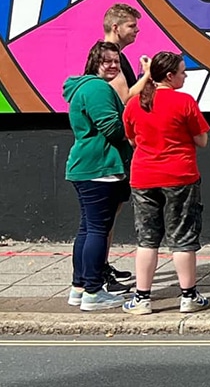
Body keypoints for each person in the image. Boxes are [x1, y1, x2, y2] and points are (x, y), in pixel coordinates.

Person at [120, 52, 210, 315]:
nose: (185, 76)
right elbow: (202, 140)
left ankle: (142, 299)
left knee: (147, 239)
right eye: (183, 72)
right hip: (180, 176)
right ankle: (188, 297)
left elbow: (132, 140)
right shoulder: (184, 102)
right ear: (170, 76)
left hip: (144, 177)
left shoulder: (135, 103)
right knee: (182, 238)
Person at [62, 41, 132, 311]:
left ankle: (79, 288)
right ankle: (93, 291)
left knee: (87, 228)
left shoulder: (84, 87)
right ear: (94, 62)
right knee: (98, 231)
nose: (114, 65)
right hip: (99, 168)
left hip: (86, 167)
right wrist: (133, 118)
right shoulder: (98, 88)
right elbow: (113, 128)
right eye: (107, 61)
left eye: (117, 61)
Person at [100, 3, 148, 289]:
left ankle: (101, 266)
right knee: (106, 214)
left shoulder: (111, 55)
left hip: (115, 146)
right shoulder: (110, 56)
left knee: (109, 212)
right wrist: (148, 75)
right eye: (132, 26)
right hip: (113, 147)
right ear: (116, 27)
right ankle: (99, 274)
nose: (137, 31)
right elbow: (126, 98)